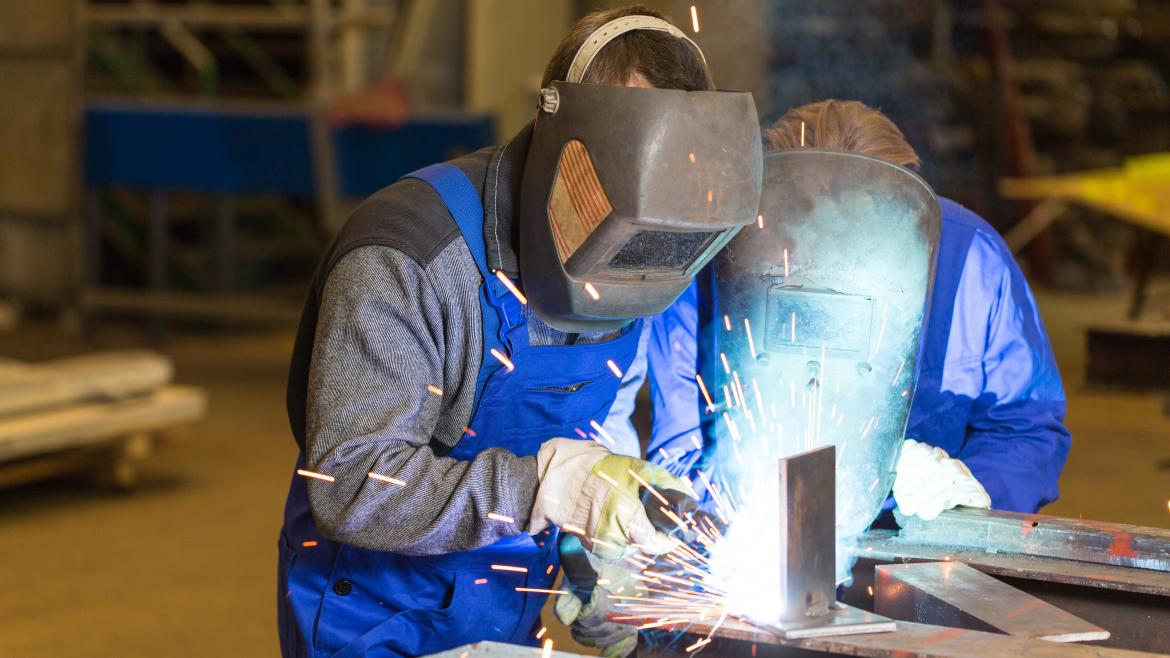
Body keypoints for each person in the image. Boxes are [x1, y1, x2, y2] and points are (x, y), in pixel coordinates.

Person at [277, 6, 763, 658]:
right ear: (559, 141)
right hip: (375, 616)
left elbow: (594, 437)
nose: (632, 252)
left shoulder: (653, 254)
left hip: (504, 611)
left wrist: (605, 557)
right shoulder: (409, 255)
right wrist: (545, 488)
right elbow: (354, 487)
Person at [646, 99, 1071, 521]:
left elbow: (1028, 426)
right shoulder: (713, 262)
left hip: (921, 549)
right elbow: (678, 451)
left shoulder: (970, 263)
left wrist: (971, 486)